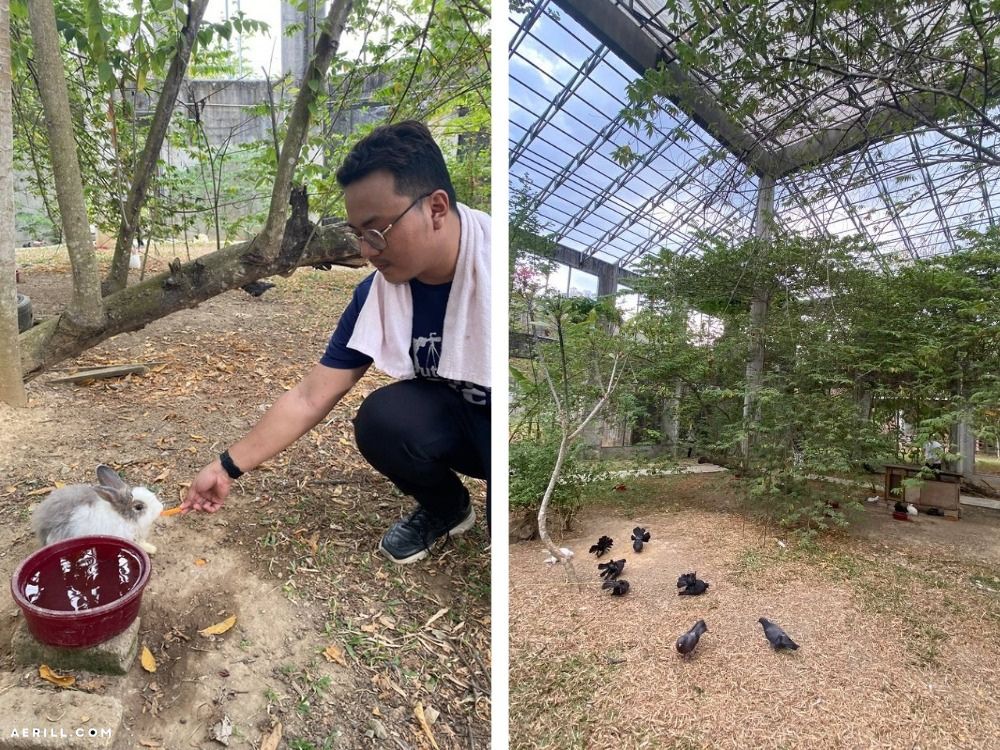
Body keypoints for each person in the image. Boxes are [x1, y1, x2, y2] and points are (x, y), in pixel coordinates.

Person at [181, 121, 491, 564]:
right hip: (456, 420)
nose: (366, 251)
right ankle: (447, 508)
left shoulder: (499, 274)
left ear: (437, 208)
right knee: (383, 419)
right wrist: (226, 465)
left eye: (376, 231)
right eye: (357, 234)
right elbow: (310, 397)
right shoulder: (379, 295)